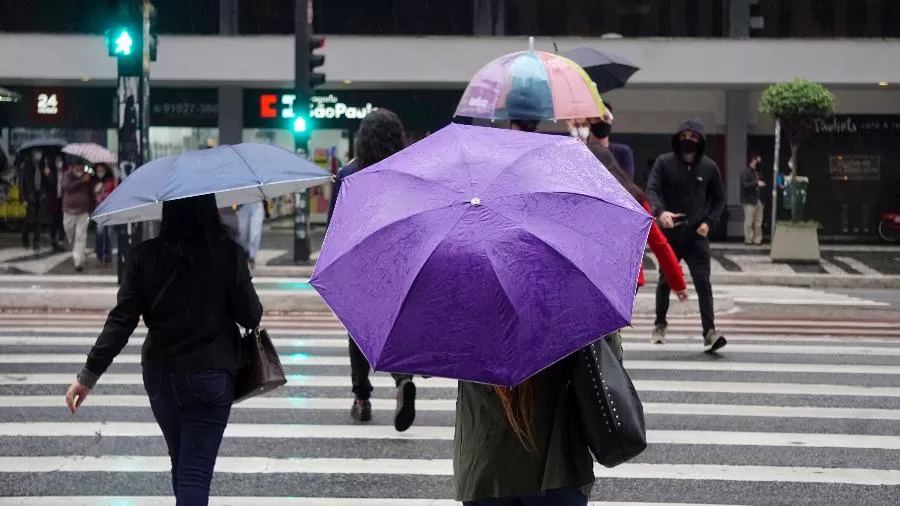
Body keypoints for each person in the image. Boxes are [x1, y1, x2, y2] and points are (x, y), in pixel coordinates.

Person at [65, 193, 263, 505]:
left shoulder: (143, 256)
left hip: (161, 376)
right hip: (211, 374)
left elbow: (121, 322)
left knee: (182, 463)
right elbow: (251, 315)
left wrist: (88, 376)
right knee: (194, 474)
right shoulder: (228, 253)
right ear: (209, 209)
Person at [327, 109, 417, 431]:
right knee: (394, 325)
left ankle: (362, 398)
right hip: (398, 261)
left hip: (361, 262)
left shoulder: (349, 175)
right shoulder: (408, 171)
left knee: (359, 330)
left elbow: (335, 226)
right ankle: (402, 379)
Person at [646, 119, 726, 352]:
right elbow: (652, 189)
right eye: (684, 136)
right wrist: (660, 212)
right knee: (665, 280)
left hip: (697, 234)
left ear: (701, 141)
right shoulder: (664, 163)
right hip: (671, 233)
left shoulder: (709, 167)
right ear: (677, 138)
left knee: (703, 282)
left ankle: (709, 333)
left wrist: (709, 222)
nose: (688, 140)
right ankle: (660, 325)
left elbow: (719, 199)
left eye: (693, 136)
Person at [587, 143, 688, 301]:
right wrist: (677, 282)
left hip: (593, 274)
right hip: (627, 277)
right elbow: (658, 243)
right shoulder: (634, 197)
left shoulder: (582, 198)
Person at [586, 101, 636, 181]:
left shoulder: (623, 152)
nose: (602, 121)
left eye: (606, 118)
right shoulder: (582, 152)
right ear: (588, 122)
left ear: (611, 120)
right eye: (597, 118)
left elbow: (627, 182)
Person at [61, 159, 94, 272]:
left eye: (81, 166)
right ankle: (74, 249)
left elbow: (91, 192)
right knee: (69, 233)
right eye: (78, 166)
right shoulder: (68, 174)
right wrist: (81, 181)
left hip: (83, 211)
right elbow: (66, 187)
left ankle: (78, 261)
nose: (80, 168)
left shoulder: (88, 176)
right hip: (69, 211)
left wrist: (92, 207)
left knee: (81, 236)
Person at [93, 163, 117, 264]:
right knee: (100, 232)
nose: (100, 171)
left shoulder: (111, 180)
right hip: (99, 210)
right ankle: (99, 255)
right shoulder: (94, 180)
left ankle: (108, 256)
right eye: (98, 169)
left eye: (101, 169)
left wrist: (103, 196)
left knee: (109, 234)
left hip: (109, 209)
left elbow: (115, 192)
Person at [741, 152, 766, 245]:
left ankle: (757, 239)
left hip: (759, 199)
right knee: (749, 221)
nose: (758, 162)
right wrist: (756, 183)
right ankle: (748, 239)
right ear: (753, 160)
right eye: (757, 160)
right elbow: (744, 184)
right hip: (749, 200)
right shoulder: (746, 172)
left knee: (758, 221)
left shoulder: (758, 172)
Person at [237, 200, 265, 269]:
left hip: (257, 203)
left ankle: (252, 256)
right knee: (242, 232)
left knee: (255, 233)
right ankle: (246, 252)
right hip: (243, 204)